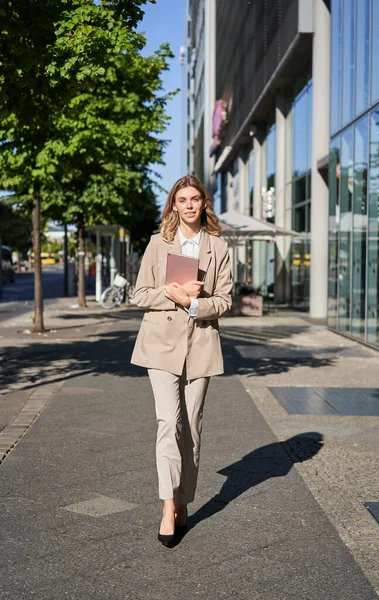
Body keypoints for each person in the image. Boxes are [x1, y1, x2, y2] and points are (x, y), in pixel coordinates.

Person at [131, 175, 232, 547]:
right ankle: (167, 505)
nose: (189, 205)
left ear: (204, 203)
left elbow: (224, 301)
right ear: (173, 205)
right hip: (160, 345)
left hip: (201, 345)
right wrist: (171, 294)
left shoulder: (218, 248)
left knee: (191, 426)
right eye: (182, 199)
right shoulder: (159, 244)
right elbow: (140, 294)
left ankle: (185, 499)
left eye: (195, 199)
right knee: (167, 422)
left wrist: (194, 304)